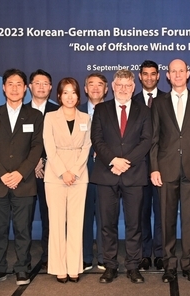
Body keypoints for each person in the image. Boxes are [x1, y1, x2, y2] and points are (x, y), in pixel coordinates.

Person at [150, 59, 190, 283]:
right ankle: (168, 266)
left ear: (188, 74)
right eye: (173, 71)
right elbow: (154, 139)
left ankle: (189, 265)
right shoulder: (158, 103)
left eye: (181, 71)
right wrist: (154, 168)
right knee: (166, 221)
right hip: (166, 169)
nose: (177, 74)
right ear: (167, 75)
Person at [0, 69, 44, 286]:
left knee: (22, 229)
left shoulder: (35, 115)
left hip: (24, 182)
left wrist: (19, 173)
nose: (15, 88)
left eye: (19, 84)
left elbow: (37, 148)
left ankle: (22, 268)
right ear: (4, 88)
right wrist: (2, 174)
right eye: (10, 84)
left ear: (26, 88)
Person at [91, 69, 152, 284]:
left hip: (134, 174)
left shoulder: (144, 111)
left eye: (128, 85)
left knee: (134, 224)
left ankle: (133, 266)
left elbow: (146, 140)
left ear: (133, 87)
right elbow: (97, 139)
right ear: (113, 87)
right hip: (107, 173)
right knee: (107, 224)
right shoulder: (101, 109)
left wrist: (126, 162)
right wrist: (113, 161)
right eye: (120, 85)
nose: (124, 89)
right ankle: (110, 266)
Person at [43, 77, 92, 282]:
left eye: (73, 93)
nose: (69, 96)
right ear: (59, 96)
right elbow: (49, 147)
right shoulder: (50, 117)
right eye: (65, 93)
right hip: (55, 175)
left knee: (75, 222)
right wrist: (64, 172)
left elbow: (87, 146)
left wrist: (74, 171)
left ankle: (74, 266)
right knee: (56, 222)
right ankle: (58, 267)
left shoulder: (85, 118)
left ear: (78, 96)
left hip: (79, 176)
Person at [133, 60, 166, 271]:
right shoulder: (131, 101)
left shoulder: (168, 100)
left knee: (163, 213)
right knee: (141, 213)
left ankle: (161, 254)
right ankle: (145, 254)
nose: (149, 78)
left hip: (163, 167)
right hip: (138, 167)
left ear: (159, 76)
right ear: (139, 76)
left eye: (153, 74)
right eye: (145, 74)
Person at [26, 69, 59, 268]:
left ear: (51, 87)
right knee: (25, 218)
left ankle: (49, 255)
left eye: (45, 83)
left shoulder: (58, 110)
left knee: (50, 216)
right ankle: (25, 258)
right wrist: (34, 161)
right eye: (37, 83)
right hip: (26, 173)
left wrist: (44, 160)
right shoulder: (18, 110)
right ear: (30, 86)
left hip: (52, 170)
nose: (41, 87)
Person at [79, 73, 108, 271]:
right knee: (84, 214)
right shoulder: (75, 111)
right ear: (85, 88)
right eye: (91, 84)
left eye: (100, 85)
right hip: (81, 170)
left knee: (106, 216)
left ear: (106, 89)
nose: (96, 88)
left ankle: (105, 256)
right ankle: (86, 256)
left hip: (107, 170)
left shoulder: (113, 110)